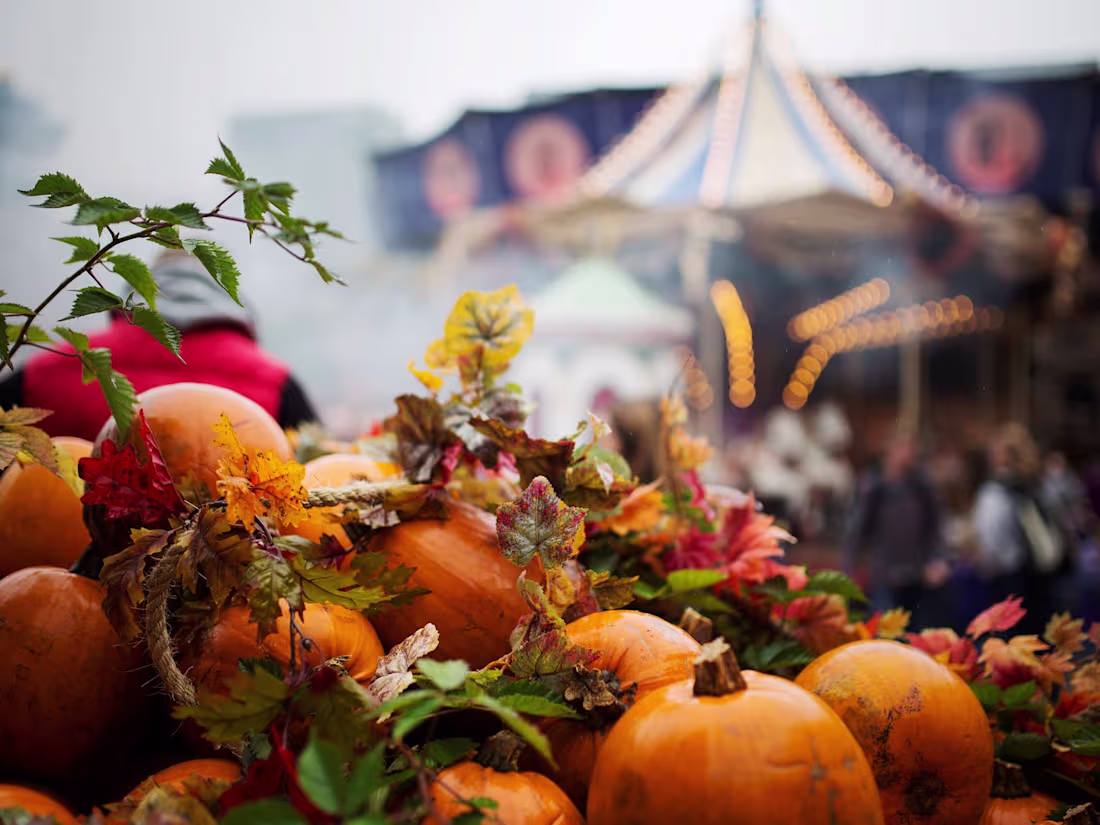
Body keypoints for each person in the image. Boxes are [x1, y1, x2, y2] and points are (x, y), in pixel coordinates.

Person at [0, 249, 318, 440]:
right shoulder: (275, 382)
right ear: (227, 298)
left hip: (60, 550)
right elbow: (317, 480)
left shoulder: (45, 369)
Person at [972, 424, 1070, 633]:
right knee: (1041, 636)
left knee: (1013, 639)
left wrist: (991, 562)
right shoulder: (1037, 484)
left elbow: (991, 534)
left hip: (1011, 574)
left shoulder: (995, 490)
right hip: (1042, 570)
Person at [843, 432, 948, 623]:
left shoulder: (921, 486)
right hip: (884, 573)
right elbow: (857, 530)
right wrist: (850, 568)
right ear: (889, 452)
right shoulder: (874, 487)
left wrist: (937, 558)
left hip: (916, 573)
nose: (907, 455)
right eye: (902, 449)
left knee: (915, 634)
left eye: (911, 449)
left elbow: (935, 527)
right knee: (887, 633)